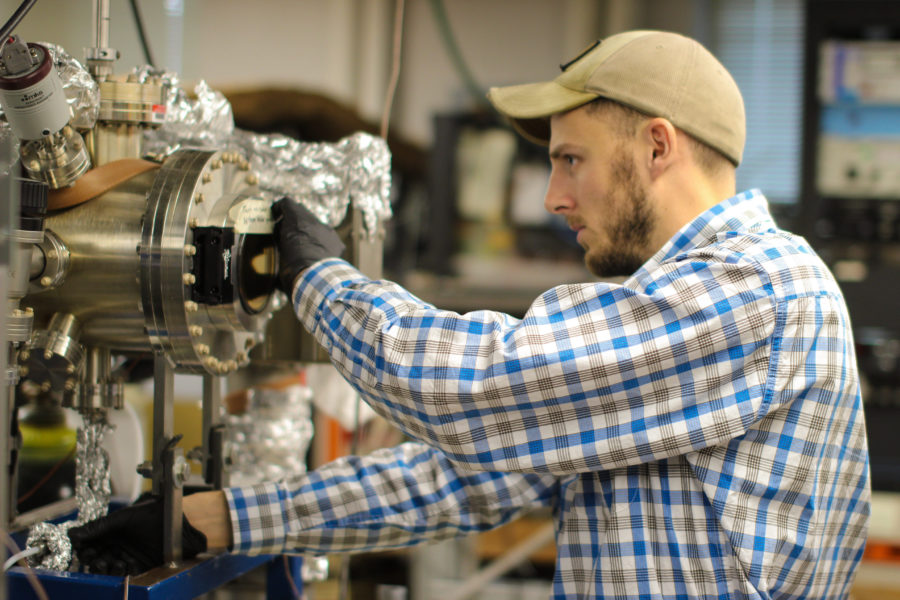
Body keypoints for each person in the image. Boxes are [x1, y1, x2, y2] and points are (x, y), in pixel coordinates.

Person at [69, 30, 870, 599]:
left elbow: (480, 390)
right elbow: (467, 474)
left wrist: (319, 279)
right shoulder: (688, 310)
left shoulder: (751, 291)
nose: (555, 197)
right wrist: (225, 519)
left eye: (570, 160)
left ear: (658, 147)